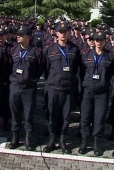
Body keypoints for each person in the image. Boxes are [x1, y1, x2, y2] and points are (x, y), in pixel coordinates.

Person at [43, 23, 81, 154]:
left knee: (66, 116)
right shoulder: (50, 49)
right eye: (60, 32)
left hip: (68, 88)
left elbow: (76, 68)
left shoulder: (75, 49)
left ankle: (63, 140)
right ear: (57, 33)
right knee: (53, 115)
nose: (63, 34)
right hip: (54, 87)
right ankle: (52, 139)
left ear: (69, 33)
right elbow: (46, 70)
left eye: (65, 31)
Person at [78, 31, 114, 156]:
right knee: (85, 117)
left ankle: (96, 142)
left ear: (105, 41)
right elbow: (82, 73)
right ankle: (84, 141)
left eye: (101, 40)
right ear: (93, 41)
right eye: (96, 40)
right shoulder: (86, 55)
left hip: (102, 92)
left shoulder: (109, 57)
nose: (99, 43)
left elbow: (111, 74)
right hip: (87, 91)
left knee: (99, 118)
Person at [8, 25, 44, 151]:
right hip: (15, 86)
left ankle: (28, 138)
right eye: (17, 34)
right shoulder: (12, 51)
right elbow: (8, 67)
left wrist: (32, 79)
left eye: (21, 35)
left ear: (28, 37)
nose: (18, 36)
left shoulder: (36, 52)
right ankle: (15, 137)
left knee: (28, 114)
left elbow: (40, 69)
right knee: (15, 113)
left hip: (29, 88)